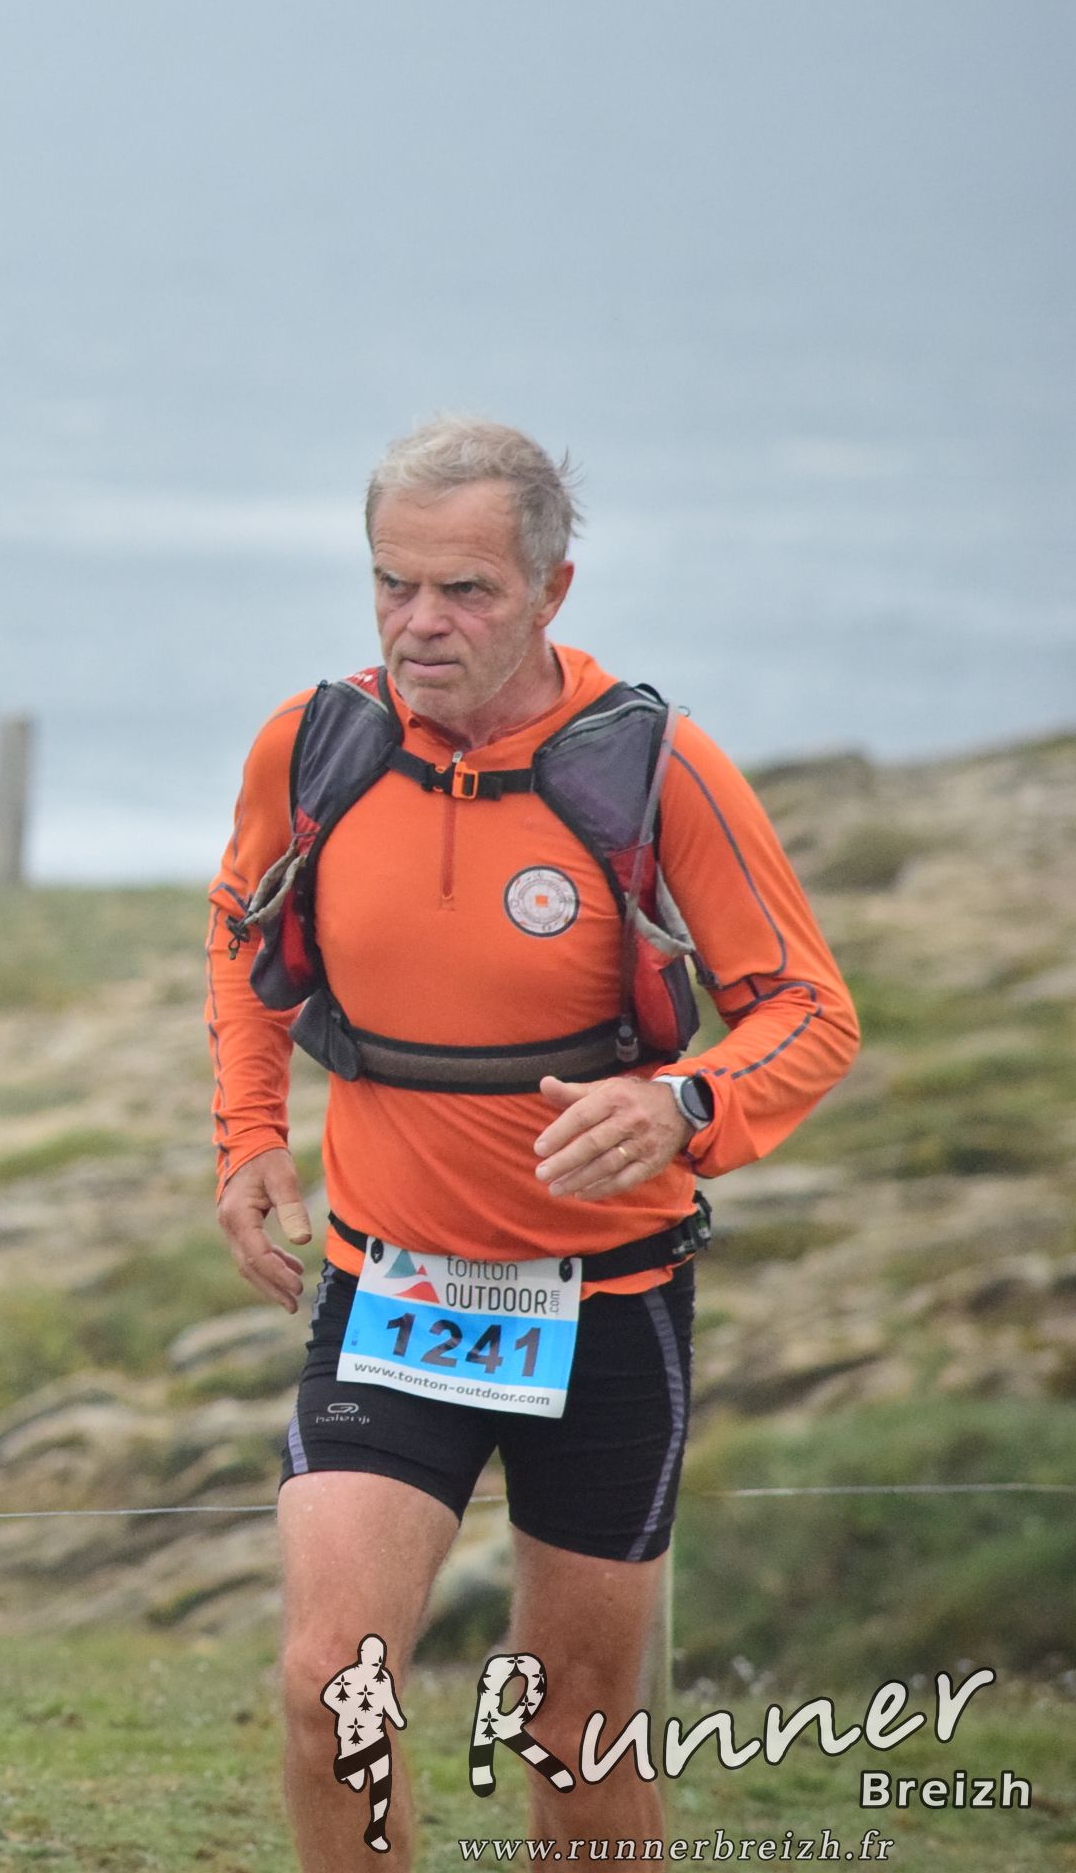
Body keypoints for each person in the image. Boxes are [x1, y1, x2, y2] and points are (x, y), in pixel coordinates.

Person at [206, 416, 859, 1867]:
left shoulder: (657, 768)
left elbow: (810, 1012)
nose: (420, 624)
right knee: (329, 1690)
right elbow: (245, 936)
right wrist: (248, 1131)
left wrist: (685, 1103)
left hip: (607, 1309)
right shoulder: (315, 747)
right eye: (394, 585)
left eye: (467, 591)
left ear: (553, 590)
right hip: (394, 1294)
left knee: (576, 1728)